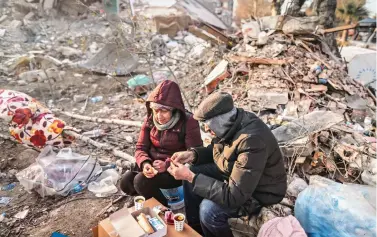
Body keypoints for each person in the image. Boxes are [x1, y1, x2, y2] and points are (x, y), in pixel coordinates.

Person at [167, 92, 287, 237]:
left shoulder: (251, 141)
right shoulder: (232, 123)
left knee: (208, 210)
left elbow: (234, 196)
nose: (206, 129)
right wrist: (193, 155)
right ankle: (195, 230)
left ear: (219, 121)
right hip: (238, 176)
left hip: (261, 193)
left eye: (208, 124)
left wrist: (191, 177)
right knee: (193, 169)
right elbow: (219, 150)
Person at [120, 80, 202, 206]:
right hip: (153, 164)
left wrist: (167, 164)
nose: (159, 116)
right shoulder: (150, 120)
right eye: (156, 110)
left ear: (174, 110)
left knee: (140, 181)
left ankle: (164, 208)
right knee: (126, 182)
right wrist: (146, 163)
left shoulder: (188, 121)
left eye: (164, 110)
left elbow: (194, 154)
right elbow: (141, 147)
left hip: (174, 170)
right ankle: (152, 196)